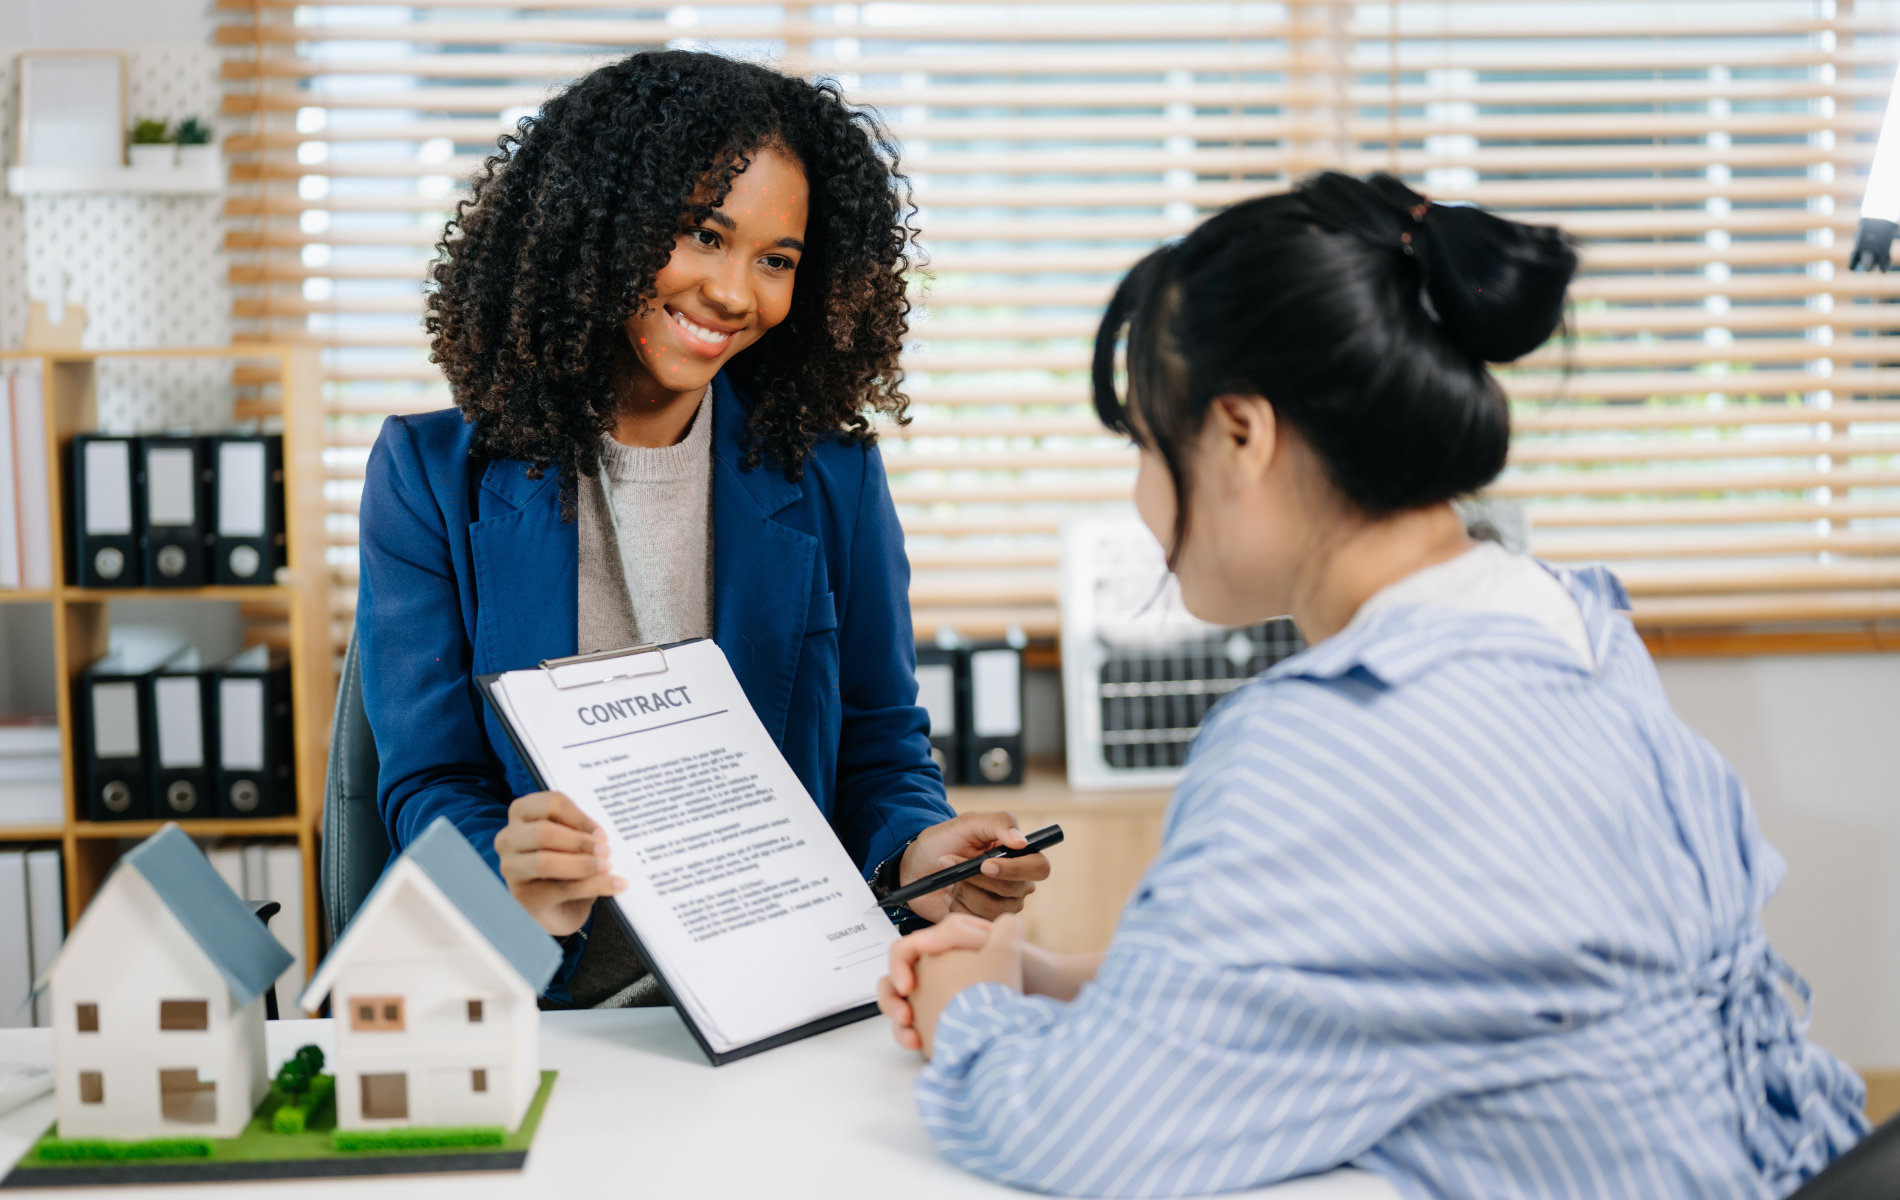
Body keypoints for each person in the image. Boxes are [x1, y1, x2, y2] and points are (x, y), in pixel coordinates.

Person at [875, 172, 1869, 1197]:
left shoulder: (1332, 742)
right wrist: (1051, 982)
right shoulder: (1568, 625)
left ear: (1240, 435)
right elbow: (1391, 976)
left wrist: (972, 1000)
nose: (1139, 497)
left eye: (1144, 445)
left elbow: (1072, 1134)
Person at [357, 51, 1047, 1008]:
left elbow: (880, 748)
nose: (734, 294)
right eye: (701, 236)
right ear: (596, 228)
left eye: (777, 261)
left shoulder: (831, 478)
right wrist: (508, 872)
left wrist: (916, 852)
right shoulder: (428, 477)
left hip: (787, 997)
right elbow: (427, 781)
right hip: (551, 1015)